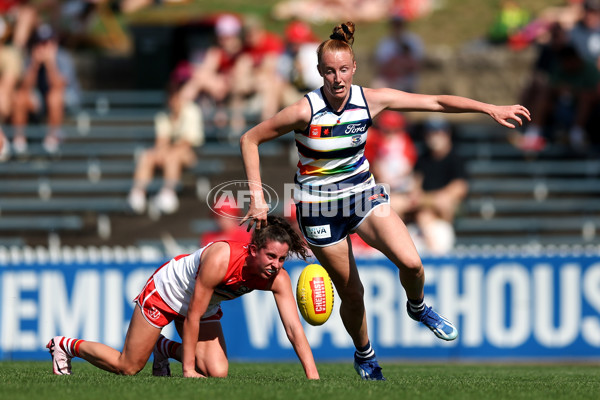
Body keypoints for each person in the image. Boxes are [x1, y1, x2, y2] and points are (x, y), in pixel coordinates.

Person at [240, 21, 530, 381]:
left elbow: (436, 101)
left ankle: (418, 307)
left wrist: (489, 108)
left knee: (412, 264)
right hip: (318, 210)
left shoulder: (369, 99)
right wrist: (256, 198)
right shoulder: (304, 111)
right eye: (329, 71)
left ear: (354, 68)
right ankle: (366, 356)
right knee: (354, 294)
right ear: (319, 73)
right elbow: (250, 138)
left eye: (344, 69)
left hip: (363, 193)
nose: (337, 78)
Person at [47, 216, 320, 379]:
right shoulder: (220, 260)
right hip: (169, 291)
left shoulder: (277, 279)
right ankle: (65, 345)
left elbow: (293, 328)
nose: (276, 264)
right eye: (271, 256)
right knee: (128, 367)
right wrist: (187, 370)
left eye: (282, 258)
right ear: (252, 251)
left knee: (217, 372)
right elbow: (191, 315)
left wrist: (313, 377)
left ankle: (164, 348)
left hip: (205, 304)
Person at [127, 78, 204, 215]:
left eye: (174, 96)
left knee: (172, 156)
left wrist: (165, 150)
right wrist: (161, 152)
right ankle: (138, 193)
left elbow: (189, 142)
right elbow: (161, 141)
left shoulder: (192, 111)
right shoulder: (163, 115)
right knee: (147, 155)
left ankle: (168, 192)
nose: (172, 100)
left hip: (190, 154)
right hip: (172, 151)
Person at [11, 22, 80, 155]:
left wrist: (50, 63)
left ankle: (53, 137)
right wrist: (34, 65)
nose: (44, 47)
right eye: (41, 42)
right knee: (19, 97)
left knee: (54, 97)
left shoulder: (63, 57)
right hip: (41, 99)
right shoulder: (30, 58)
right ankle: (19, 140)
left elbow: (59, 85)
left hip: (66, 100)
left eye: (47, 42)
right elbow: (25, 87)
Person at [410, 117, 468, 255]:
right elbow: (414, 190)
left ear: (447, 134)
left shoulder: (456, 159)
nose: (434, 136)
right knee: (397, 204)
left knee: (443, 203)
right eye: (430, 132)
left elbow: (458, 190)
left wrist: (426, 200)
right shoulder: (422, 159)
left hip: (443, 214)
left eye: (438, 132)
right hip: (424, 213)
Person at [364, 110, 417, 219]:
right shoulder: (375, 142)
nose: (390, 133)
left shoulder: (405, 142)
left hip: (402, 189)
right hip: (383, 188)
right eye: (387, 130)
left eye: (394, 130)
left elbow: (408, 169)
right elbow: (374, 166)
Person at [371, 14, 424, 93]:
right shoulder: (385, 43)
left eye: (399, 24)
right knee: (376, 86)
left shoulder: (413, 41)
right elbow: (381, 66)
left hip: (407, 79)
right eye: (395, 25)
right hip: (389, 78)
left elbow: (417, 64)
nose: (397, 27)